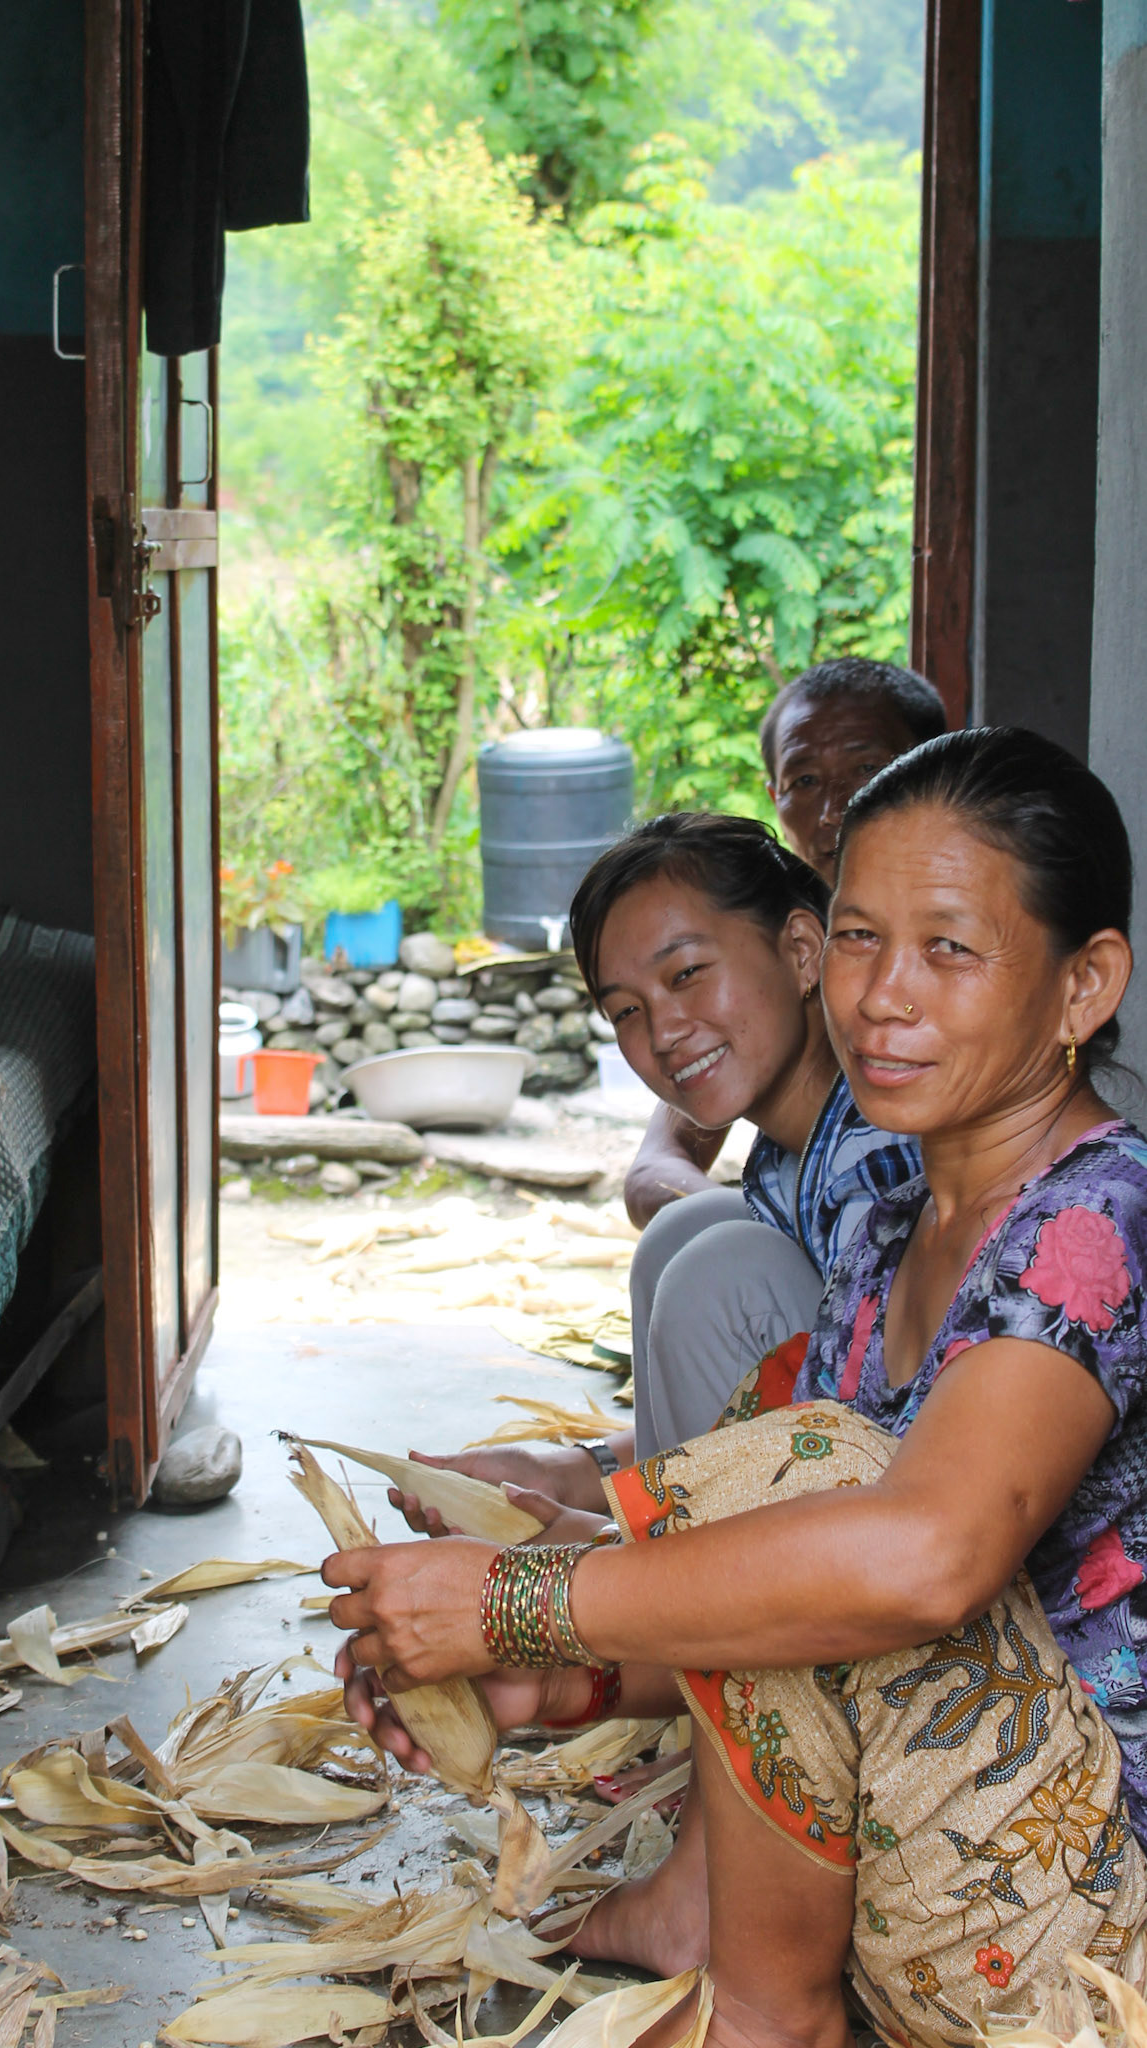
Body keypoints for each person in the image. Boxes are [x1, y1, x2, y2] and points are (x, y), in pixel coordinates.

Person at [330, 727, 1147, 2048]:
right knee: (771, 1515)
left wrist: (532, 1599)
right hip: (937, 1885)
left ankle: (764, 2018)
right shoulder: (887, 1237)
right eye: (864, 939)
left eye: (948, 948)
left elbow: (927, 1559)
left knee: (805, 1483)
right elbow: (794, 1632)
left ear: (1081, 985)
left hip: (1081, 1925)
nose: (883, 996)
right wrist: (558, 1678)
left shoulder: (1097, 1219)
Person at [396, 813, 921, 1529]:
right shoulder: (788, 1156)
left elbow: (921, 1448)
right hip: (859, 1496)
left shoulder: (877, 1156)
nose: (663, 1031)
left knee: (722, 1270)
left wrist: (582, 1549)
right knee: (691, 1226)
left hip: (940, 1564)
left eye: (686, 974)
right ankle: (661, 1553)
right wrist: (581, 1472)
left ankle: (672, 1590)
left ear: (801, 951)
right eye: (626, 1011)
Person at [625, 657, 946, 1228]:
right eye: (804, 782)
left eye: (868, 768)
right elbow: (656, 1167)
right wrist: (752, 1241)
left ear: (935, 766)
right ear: (774, 796)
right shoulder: (772, 953)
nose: (834, 810)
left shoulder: (969, 943)